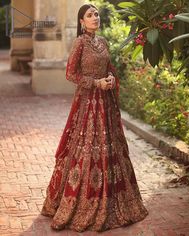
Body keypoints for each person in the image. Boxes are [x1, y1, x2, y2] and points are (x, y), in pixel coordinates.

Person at [40, 3, 149, 232]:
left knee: (110, 150)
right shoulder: (80, 43)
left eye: (97, 14)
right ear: (82, 22)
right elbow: (71, 74)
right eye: (90, 15)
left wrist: (109, 78)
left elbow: (108, 66)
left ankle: (112, 201)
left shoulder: (103, 42)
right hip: (87, 104)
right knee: (85, 150)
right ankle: (79, 203)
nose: (95, 17)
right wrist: (95, 83)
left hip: (105, 105)